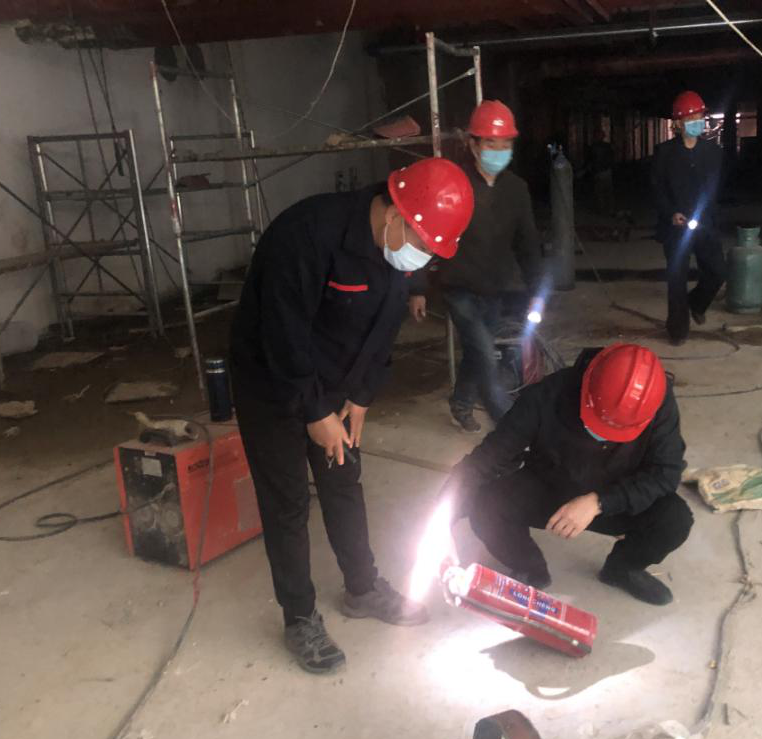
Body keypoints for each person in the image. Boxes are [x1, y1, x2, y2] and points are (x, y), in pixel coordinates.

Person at [230, 157, 474, 674]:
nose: (422, 258)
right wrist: (313, 411)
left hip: (337, 385)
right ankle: (299, 617)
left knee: (344, 480)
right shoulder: (306, 234)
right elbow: (281, 332)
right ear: (396, 215)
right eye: (423, 244)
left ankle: (362, 589)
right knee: (287, 501)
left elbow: (383, 331)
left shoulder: (395, 253)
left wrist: (361, 395)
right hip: (270, 382)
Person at [446, 343, 693, 606]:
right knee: (485, 505)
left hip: (616, 495)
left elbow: (666, 472)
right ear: (587, 387)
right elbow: (487, 459)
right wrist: (443, 518)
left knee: (674, 520)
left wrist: (599, 502)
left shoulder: (654, 400)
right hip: (552, 485)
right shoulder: (545, 396)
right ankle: (530, 569)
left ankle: (622, 569)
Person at [408, 99, 543, 434]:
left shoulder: (516, 190)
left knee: (475, 351)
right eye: (491, 143)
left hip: (494, 287)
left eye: (505, 144)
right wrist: (417, 288)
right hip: (458, 286)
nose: (499, 151)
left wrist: (537, 292)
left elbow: (528, 244)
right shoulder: (454, 184)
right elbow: (428, 235)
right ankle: (510, 425)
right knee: (485, 353)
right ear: (473, 144)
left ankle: (461, 404)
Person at [651, 90, 726, 345]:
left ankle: (696, 303)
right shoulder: (664, 153)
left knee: (717, 272)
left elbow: (715, 189)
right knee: (676, 280)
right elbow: (657, 189)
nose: (697, 122)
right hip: (676, 227)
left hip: (705, 224)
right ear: (679, 123)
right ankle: (677, 330)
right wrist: (670, 213)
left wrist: (710, 216)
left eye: (700, 117)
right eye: (691, 118)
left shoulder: (713, 152)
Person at [587, 130, 615, 215]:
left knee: (600, 192)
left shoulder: (594, 147)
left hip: (600, 171)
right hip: (605, 171)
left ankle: (603, 209)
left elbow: (591, 159)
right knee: (606, 192)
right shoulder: (607, 146)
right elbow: (611, 158)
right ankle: (607, 209)